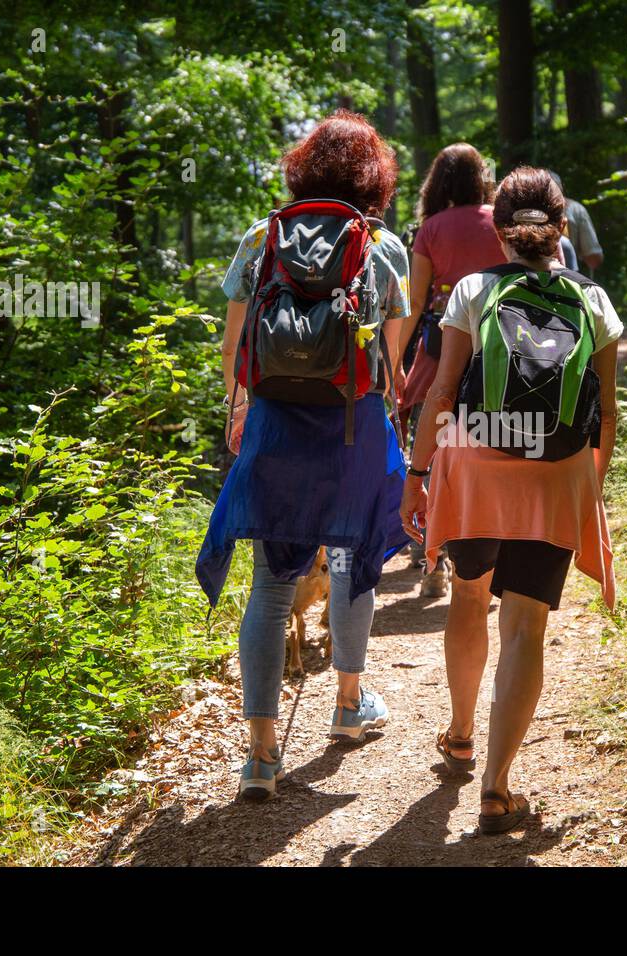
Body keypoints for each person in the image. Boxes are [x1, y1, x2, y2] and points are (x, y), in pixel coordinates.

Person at [195, 111, 411, 800]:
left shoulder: (262, 237)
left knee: (269, 585)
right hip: (352, 428)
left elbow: (233, 348)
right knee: (350, 560)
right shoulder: (383, 245)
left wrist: (238, 410)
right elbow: (391, 365)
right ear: (373, 178)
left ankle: (260, 755)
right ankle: (347, 706)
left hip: (277, 429)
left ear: (301, 169)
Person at [400, 167, 621, 833]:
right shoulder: (593, 300)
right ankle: (497, 787)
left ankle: (461, 730)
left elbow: (442, 392)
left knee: (469, 594)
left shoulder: (471, 289)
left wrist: (416, 474)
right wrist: (588, 488)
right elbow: (607, 411)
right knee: (526, 625)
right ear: (561, 231)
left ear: (499, 231)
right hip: (555, 472)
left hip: (475, 458)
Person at [396, 143, 505, 598]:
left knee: (435, 443)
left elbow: (415, 301)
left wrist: (394, 363)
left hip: (444, 347)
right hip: (500, 343)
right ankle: (493, 554)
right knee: (495, 444)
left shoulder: (430, 228)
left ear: (436, 183)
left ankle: (433, 559)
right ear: (482, 176)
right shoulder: (500, 218)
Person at [548, 170, 603, 273]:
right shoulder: (576, 210)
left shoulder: (518, 213)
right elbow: (594, 259)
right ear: (560, 189)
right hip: (568, 278)